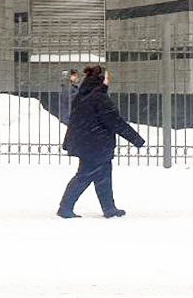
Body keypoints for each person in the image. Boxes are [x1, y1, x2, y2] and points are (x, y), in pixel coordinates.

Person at [58, 65, 145, 219]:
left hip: (89, 144)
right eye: (107, 77)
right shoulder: (99, 98)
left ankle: (109, 209)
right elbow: (115, 121)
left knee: (101, 177)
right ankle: (66, 207)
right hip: (96, 146)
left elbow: (75, 121)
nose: (109, 80)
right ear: (101, 80)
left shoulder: (83, 95)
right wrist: (136, 139)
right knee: (85, 177)